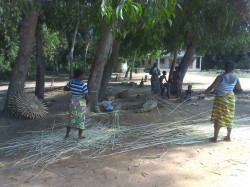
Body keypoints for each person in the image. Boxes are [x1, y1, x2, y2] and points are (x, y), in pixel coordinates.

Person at [205, 61, 242, 143]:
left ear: (225, 67)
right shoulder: (236, 78)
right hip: (231, 98)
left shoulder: (220, 77)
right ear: (233, 69)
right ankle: (228, 136)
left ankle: (215, 138)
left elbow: (212, 87)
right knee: (229, 116)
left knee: (219, 117)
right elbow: (239, 89)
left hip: (221, 99)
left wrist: (206, 93)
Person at [64, 69, 89, 140]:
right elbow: (87, 97)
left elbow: (65, 88)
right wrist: (86, 100)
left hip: (73, 103)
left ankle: (67, 135)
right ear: (80, 76)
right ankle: (79, 136)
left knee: (71, 119)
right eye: (83, 75)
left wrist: (72, 89)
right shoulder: (83, 85)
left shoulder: (71, 82)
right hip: (80, 104)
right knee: (81, 120)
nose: (84, 76)